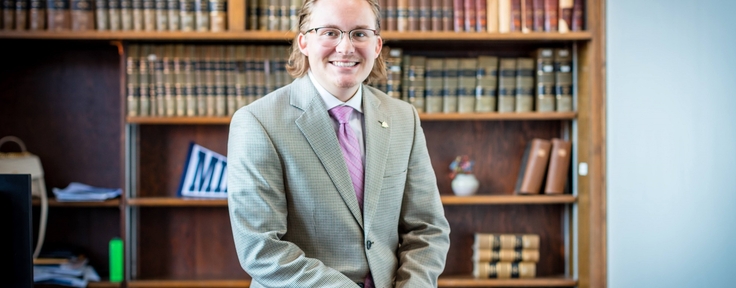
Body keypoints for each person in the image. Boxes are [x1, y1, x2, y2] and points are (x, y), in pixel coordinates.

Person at [227, 0, 451, 287]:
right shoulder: (257, 122)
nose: (346, 48)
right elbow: (261, 249)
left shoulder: (403, 117)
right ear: (304, 42)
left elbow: (427, 228)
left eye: (359, 33)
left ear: (377, 45)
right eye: (330, 32)